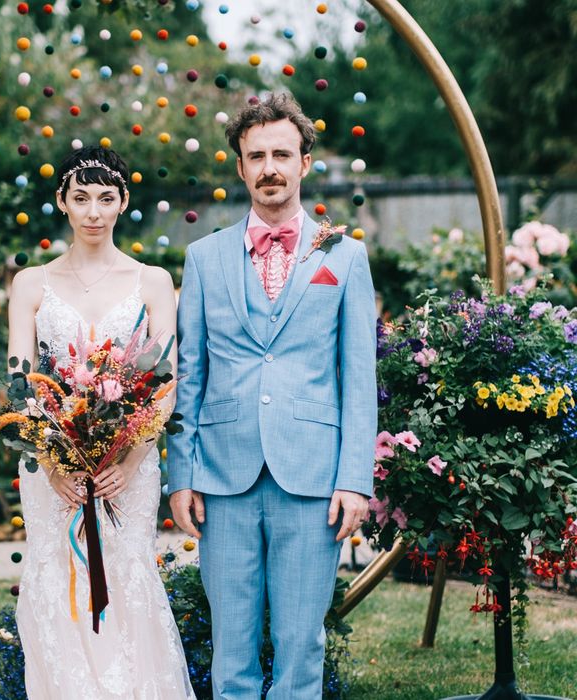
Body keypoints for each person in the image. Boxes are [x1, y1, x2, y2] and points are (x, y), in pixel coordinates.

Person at [168, 93, 377, 699]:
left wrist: (355, 478)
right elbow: (190, 372)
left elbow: (357, 375)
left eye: (282, 154)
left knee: (301, 645)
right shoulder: (203, 259)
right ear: (239, 166)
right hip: (223, 480)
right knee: (230, 649)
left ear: (305, 162)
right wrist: (181, 475)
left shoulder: (345, 256)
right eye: (256, 155)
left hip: (314, 478)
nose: (269, 168)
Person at [7, 145, 194, 699]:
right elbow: (22, 380)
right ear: (62, 202)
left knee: (126, 577)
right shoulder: (30, 284)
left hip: (128, 470)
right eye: (81, 198)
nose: (93, 211)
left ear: (123, 203)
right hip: (52, 469)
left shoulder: (153, 281)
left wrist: (132, 458)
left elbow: (165, 380)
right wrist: (51, 459)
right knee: (55, 580)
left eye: (106, 199)